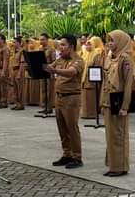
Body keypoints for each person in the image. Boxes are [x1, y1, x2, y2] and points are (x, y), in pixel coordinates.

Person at [45, 34, 85, 169]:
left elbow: (71, 72)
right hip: (59, 97)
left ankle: (77, 157)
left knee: (71, 128)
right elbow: (49, 67)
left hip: (71, 97)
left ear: (71, 46)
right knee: (62, 127)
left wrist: (55, 70)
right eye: (59, 45)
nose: (60, 48)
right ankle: (67, 154)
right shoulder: (60, 59)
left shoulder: (79, 61)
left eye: (63, 45)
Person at [100, 30, 135, 177]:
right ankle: (113, 165)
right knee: (110, 136)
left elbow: (128, 84)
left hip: (118, 102)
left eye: (112, 41)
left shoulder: (125, 59)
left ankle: (120, 166)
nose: (109, 43)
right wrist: (102, 102)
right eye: (108, 41)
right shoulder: (109, 58)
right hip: (108, 100)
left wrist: (125, 106)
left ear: (121, 42)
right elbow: (104, 81)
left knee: (118, 135)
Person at [81, 36, 104, 119]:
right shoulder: (85, 55)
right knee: (85, 96)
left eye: (90, 45)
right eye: (87, 45)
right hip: (84, 78)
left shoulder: (96, 55)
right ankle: (85, 113)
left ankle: (91, 113)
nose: (88, 47)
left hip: (92, 79)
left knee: (91, 96)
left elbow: (97, 68)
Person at [39, 33, 56, 114]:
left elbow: (54, 61)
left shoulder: (51, 49)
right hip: (42, 71)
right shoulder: (40, 49)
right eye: (40, 39)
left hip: (49, 71)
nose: (41, 41)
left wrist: (50, 68)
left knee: (49, 90)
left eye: (43, 39)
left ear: (47, 40)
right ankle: (44, 106)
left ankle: (49, 107)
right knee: (43, 89)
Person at [10, 37, 25, 110]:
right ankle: (16, 103)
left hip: (19, 70)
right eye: (13, 42)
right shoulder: (13, 51)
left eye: (15, 42)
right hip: (13, 70)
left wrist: (19, 73)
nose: (13, 44)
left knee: (20, 88)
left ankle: (21, 104)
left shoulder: (22, 51)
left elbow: (22, 63)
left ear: (19, 43)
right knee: (14, 88)